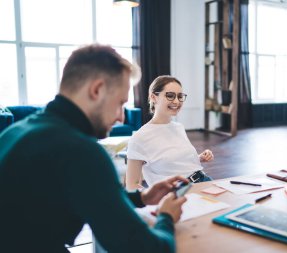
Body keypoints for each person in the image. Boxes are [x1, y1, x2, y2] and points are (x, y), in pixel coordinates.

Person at [0, 45, 188, 253]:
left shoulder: (15, 132)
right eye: (120, 103)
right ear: (97, 90)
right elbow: (148, 249)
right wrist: (166, 217)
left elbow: (84, 194)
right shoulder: (81, 151)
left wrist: (141, 198)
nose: (121, 117)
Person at [126, 75, 214, 190]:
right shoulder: (139, 138)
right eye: (170, 96)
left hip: (203, 180)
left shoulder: (178, 127)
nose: (177, 101)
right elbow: (131, 185)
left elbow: (174, 161)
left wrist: (198, 158)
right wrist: (154, 199)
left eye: (180, 96)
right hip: (177, 191)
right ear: (154, 97)